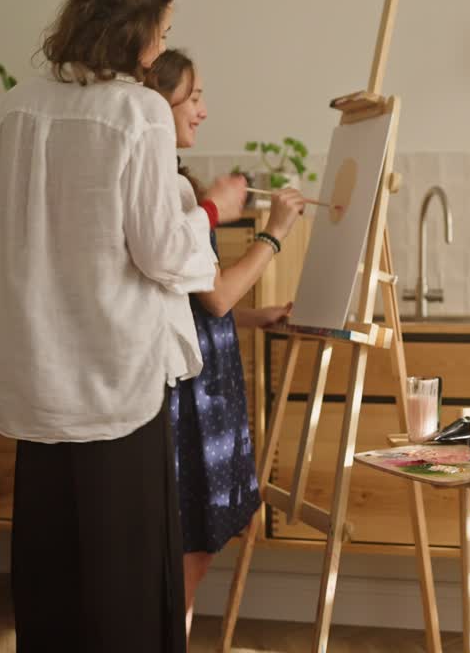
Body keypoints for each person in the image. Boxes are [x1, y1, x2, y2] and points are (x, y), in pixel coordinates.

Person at [0, 0, 247, 652]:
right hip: (116, 384)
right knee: (127, 590)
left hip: (36, 382)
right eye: (161, 30)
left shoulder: (13, 107)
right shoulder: (138, 111)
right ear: (134, 32)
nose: (159, 47)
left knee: (50, 582)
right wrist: (206, 212)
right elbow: (161, 250)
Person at [145, 48, 305, 641]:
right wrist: (274, 235)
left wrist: (254, 316)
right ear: (157, 104)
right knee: (190, 551)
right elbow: (212, 296)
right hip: (189, 400)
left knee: (197, 548)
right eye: (193, 98)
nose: (204, 111)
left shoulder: (174, 183)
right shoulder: (167, 188)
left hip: (203, 392)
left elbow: (188, 301)